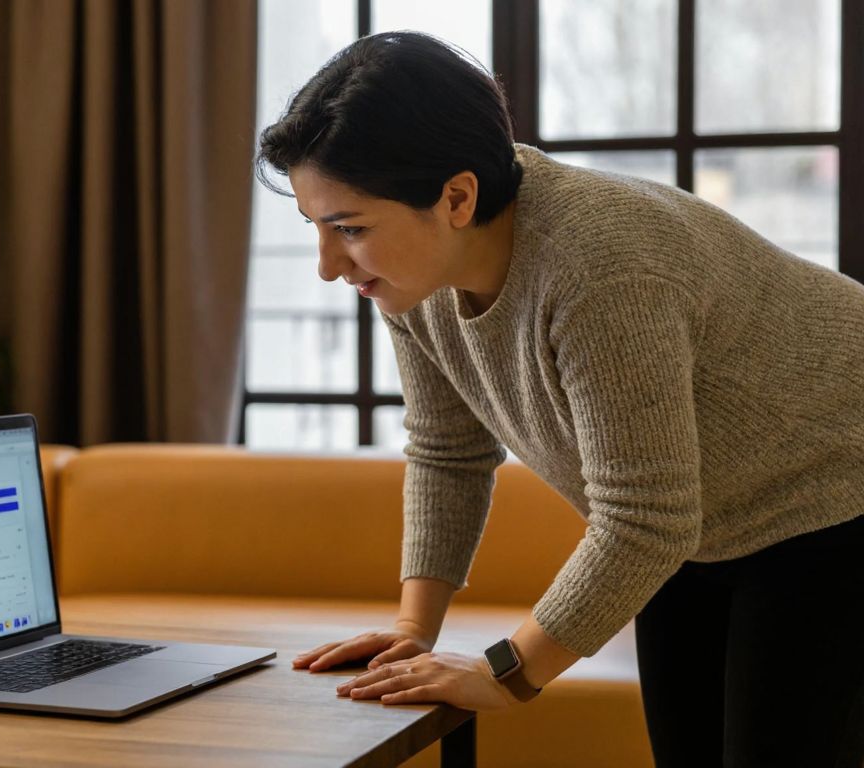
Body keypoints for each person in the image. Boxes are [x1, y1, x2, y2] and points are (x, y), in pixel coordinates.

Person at [256, 30, 864, 767]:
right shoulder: (409, 279)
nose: (328, 267)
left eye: (348, 229)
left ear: (456, 197)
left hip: (838, 490)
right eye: (316, 228)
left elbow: (644, 519)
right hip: (702, 524)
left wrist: (505, 671)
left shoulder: (600, 268)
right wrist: (415, 628)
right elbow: (449, 451)